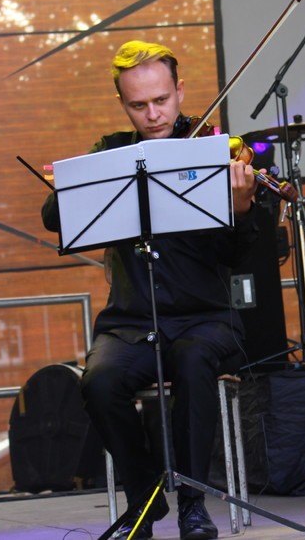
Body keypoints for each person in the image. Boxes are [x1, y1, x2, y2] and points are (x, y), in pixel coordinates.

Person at [42, 41, 259, 540]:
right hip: (131, 321)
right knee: (99, 380)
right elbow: (55, 218)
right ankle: (145, 497)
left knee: (192, 359)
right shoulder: (111, 153)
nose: (153, 114)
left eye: (161, 100)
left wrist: (243, 207)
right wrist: (77, 184)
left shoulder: (211, 150)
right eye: (138, 105)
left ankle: (193, 506)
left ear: (179, 91)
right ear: (122, 102)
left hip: (207, 319)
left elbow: (238, 256)